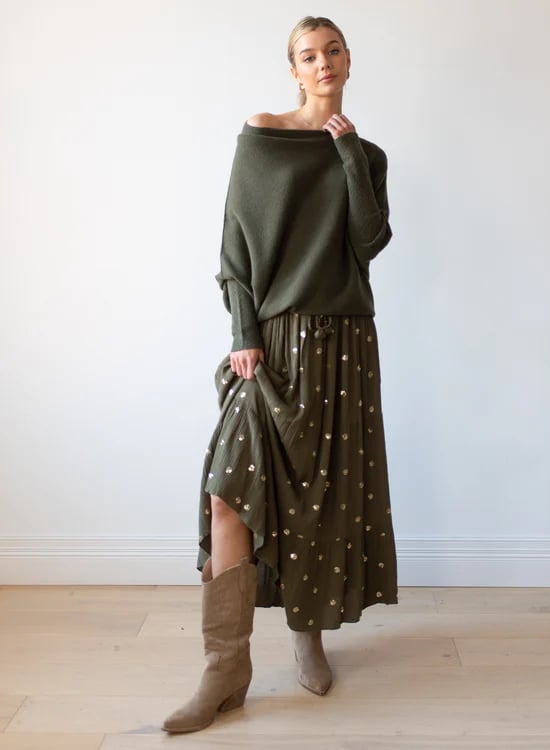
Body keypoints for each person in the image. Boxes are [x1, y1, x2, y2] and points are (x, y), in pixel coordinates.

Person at [162, 15, 398, 734]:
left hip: (343, 342)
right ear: (292, 70)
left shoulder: (368, 154)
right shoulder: (261, 136)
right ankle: (224, 670)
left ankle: (308, 635)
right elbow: (233, 246)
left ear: (349, 60)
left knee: (321, 498)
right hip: (270, 344)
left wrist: (348, 150)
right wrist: (244, 334)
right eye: (308, 55)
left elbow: (368, 242)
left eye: (333, 51)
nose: (323, 62)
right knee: (226, 493)